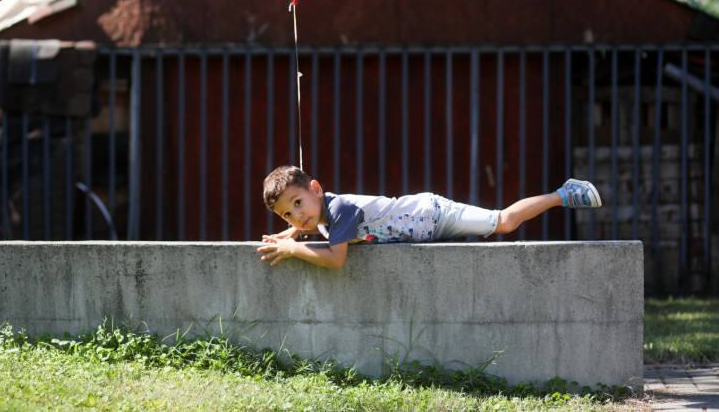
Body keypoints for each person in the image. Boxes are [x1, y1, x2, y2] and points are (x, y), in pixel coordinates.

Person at [257, 165, 602, 269]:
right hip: (427, 229)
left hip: (434, 215)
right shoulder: (322, 216)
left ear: (317, 188)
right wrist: (295, 232)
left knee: (504, 222)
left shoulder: (339, 210)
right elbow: (317, 225)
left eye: (298, 203)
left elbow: (336, 259)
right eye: (287, 213)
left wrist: (293, 248)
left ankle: (563, 194)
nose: (297, 215)